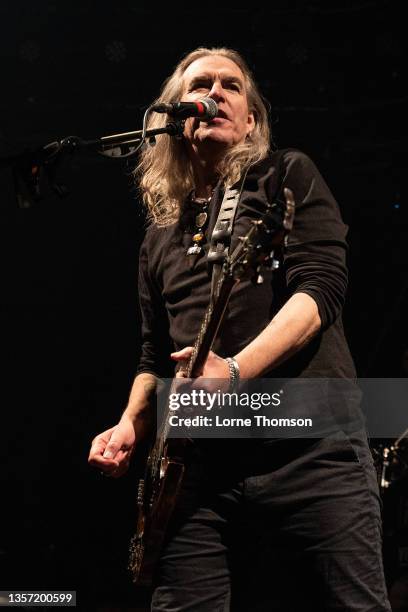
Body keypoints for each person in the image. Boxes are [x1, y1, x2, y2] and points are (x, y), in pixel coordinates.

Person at [88, 47, 391, 611]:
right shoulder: (160, 233)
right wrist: (131, 422)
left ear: (251, 119)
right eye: (202, 84)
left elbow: (319, 292)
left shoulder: (286, 176)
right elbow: (154, 355)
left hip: (308, 448)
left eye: (232, 85)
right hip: (199, 471)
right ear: (173, 116)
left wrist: (232, 372)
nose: (218, 92)